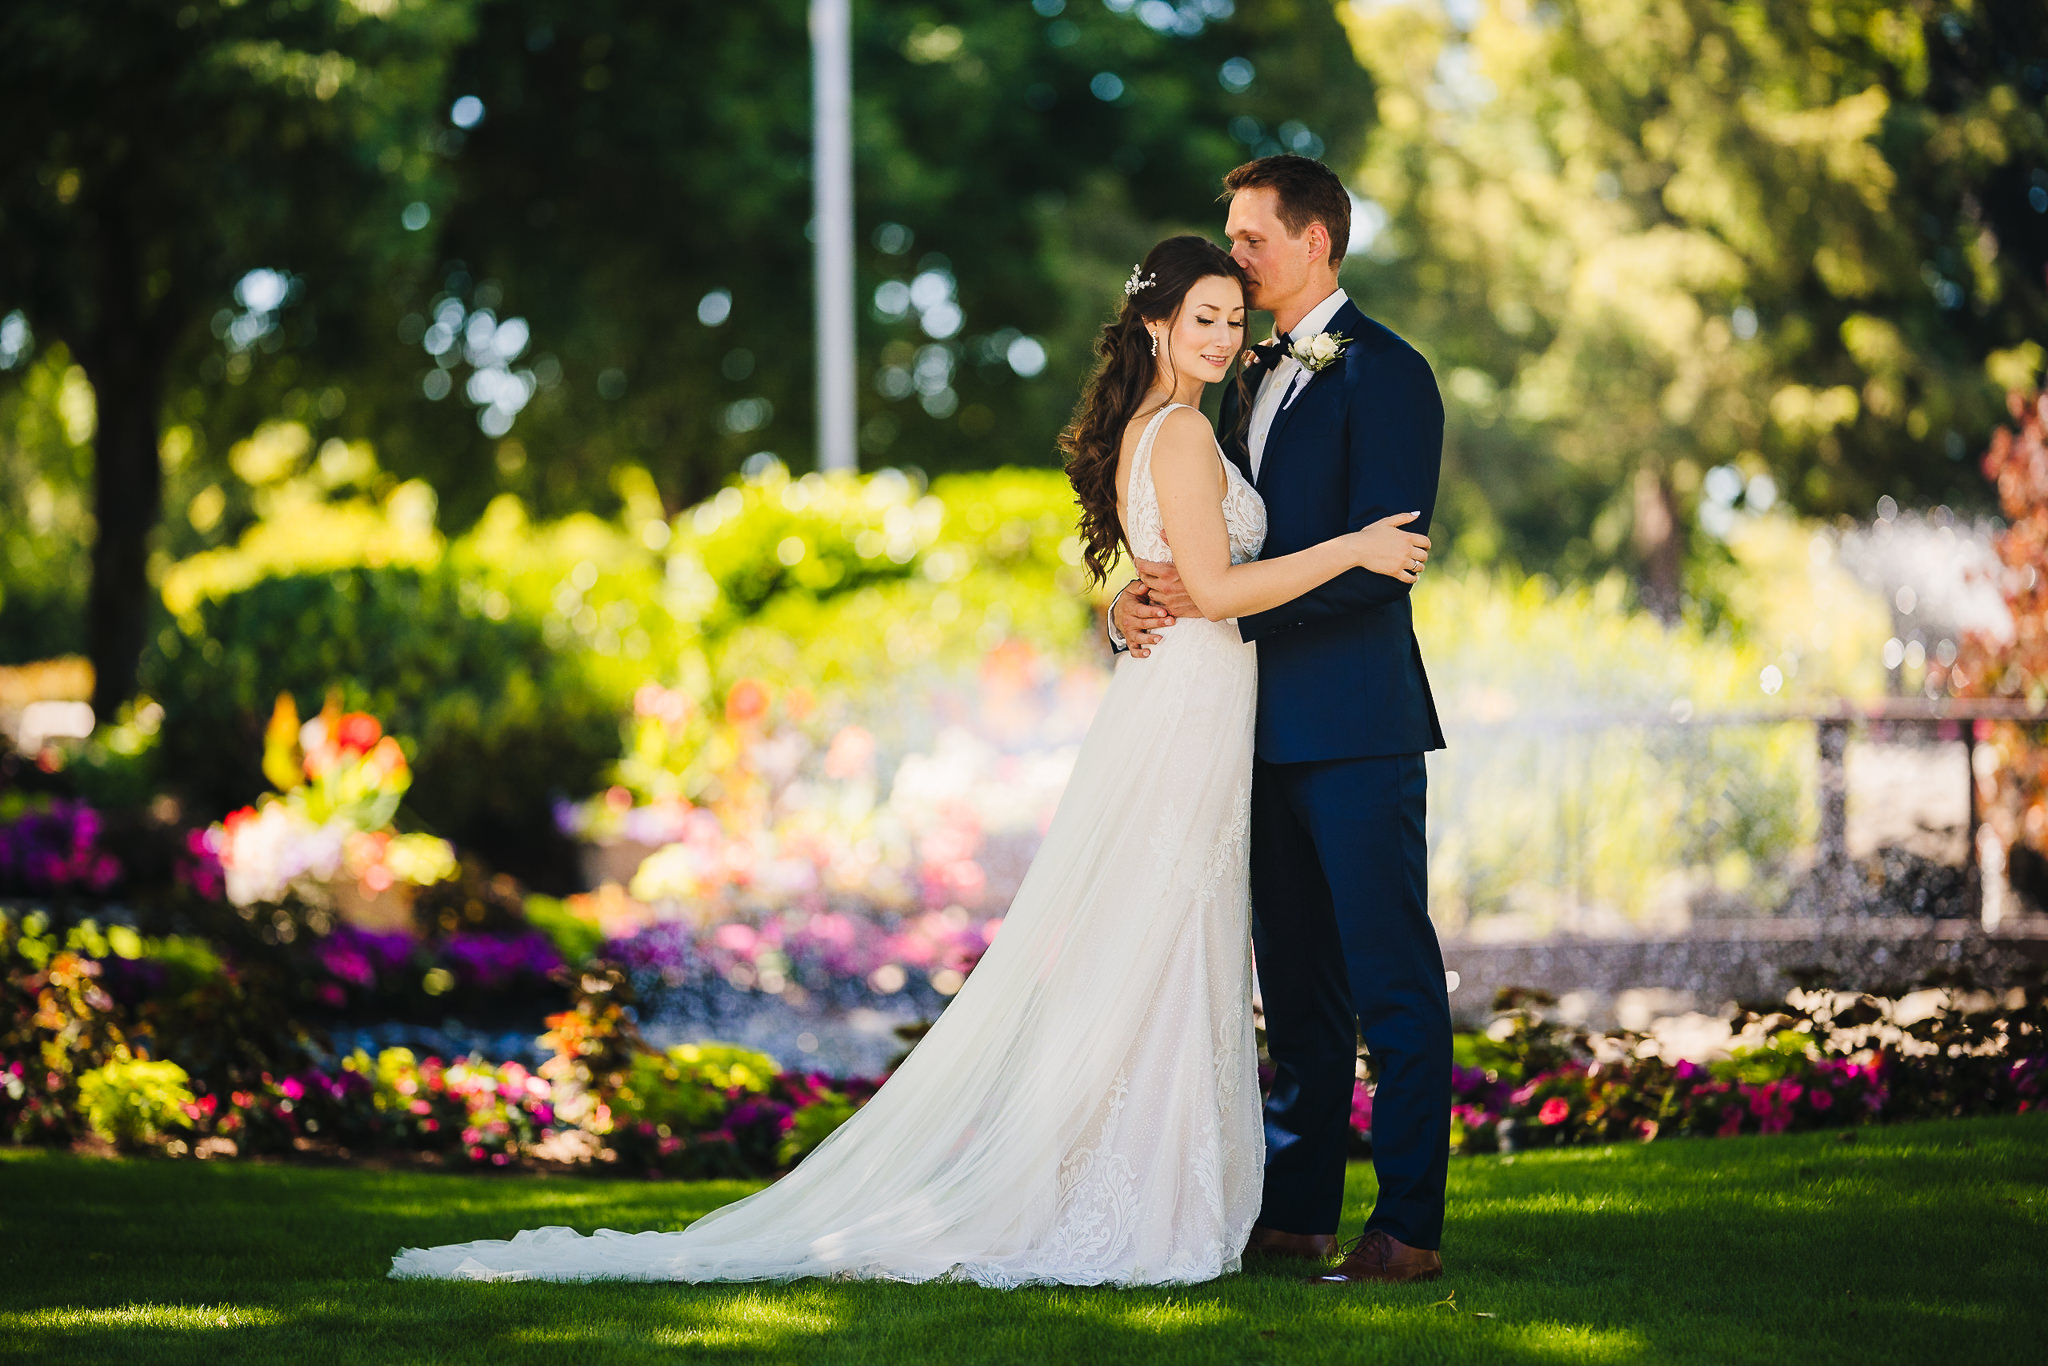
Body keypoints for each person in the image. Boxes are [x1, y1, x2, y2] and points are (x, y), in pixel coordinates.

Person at [389, 234, 1428, 1287]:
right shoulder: (1183, 438)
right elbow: (1207, 589)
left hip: (1189, 706)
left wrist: (1124, 603)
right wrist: (1351, 545)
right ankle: (1136, 1192)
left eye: (1231, 318)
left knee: (1161, 942)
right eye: (1201, 316)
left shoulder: (1160, 429)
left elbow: (1168, 573)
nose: (1222, 334)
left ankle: (1157, 1183)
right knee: (1160, 939)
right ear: (1155, 323)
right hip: (1189, 703)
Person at [1111, 155, 1452, 1287]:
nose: (1237, 260)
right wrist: (1142, 596)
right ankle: (1296, 1214)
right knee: (1293, 989)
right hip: (1244, 732)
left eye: (1252, 239)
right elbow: (1201, 538)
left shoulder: (1389, 373)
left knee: (1389, 977)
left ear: (1314, 241)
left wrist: (1223, 618)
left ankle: (1406, 1225)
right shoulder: (1237, 374)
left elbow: (1383, 560)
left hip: (1354, 724)